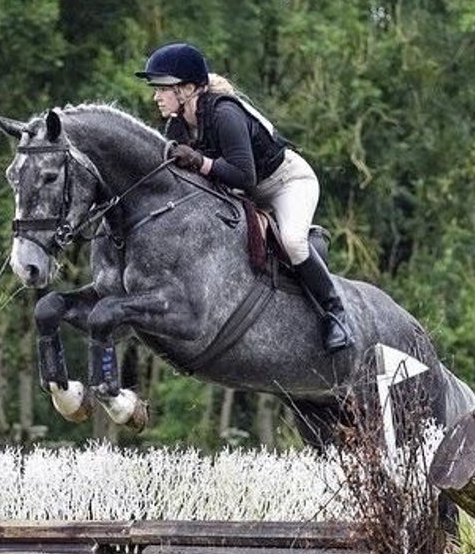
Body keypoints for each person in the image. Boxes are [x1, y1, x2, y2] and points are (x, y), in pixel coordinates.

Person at [135, 41, 354, 353]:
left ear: (186, 89)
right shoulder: (177, 126)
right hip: (241, 192)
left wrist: (201, 162)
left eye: (162, 88)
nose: (156, 96)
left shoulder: (224, 113)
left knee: (292, 241)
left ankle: (336, 314)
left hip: (285, 183)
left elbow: (244, 175)